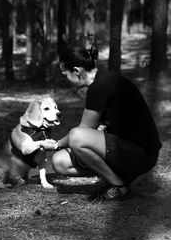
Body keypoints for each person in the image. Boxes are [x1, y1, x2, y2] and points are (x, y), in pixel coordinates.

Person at [52, 45, 162, 200]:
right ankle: (117, 176)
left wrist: (56, 145)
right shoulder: (102, 79)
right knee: (59, 162)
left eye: (65, 74)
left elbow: (81, 132)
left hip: (141, 154)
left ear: (77, 71)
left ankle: (118, 185)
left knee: (77, 137)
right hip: (124, 148)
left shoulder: (100, 86)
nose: (65, 78)